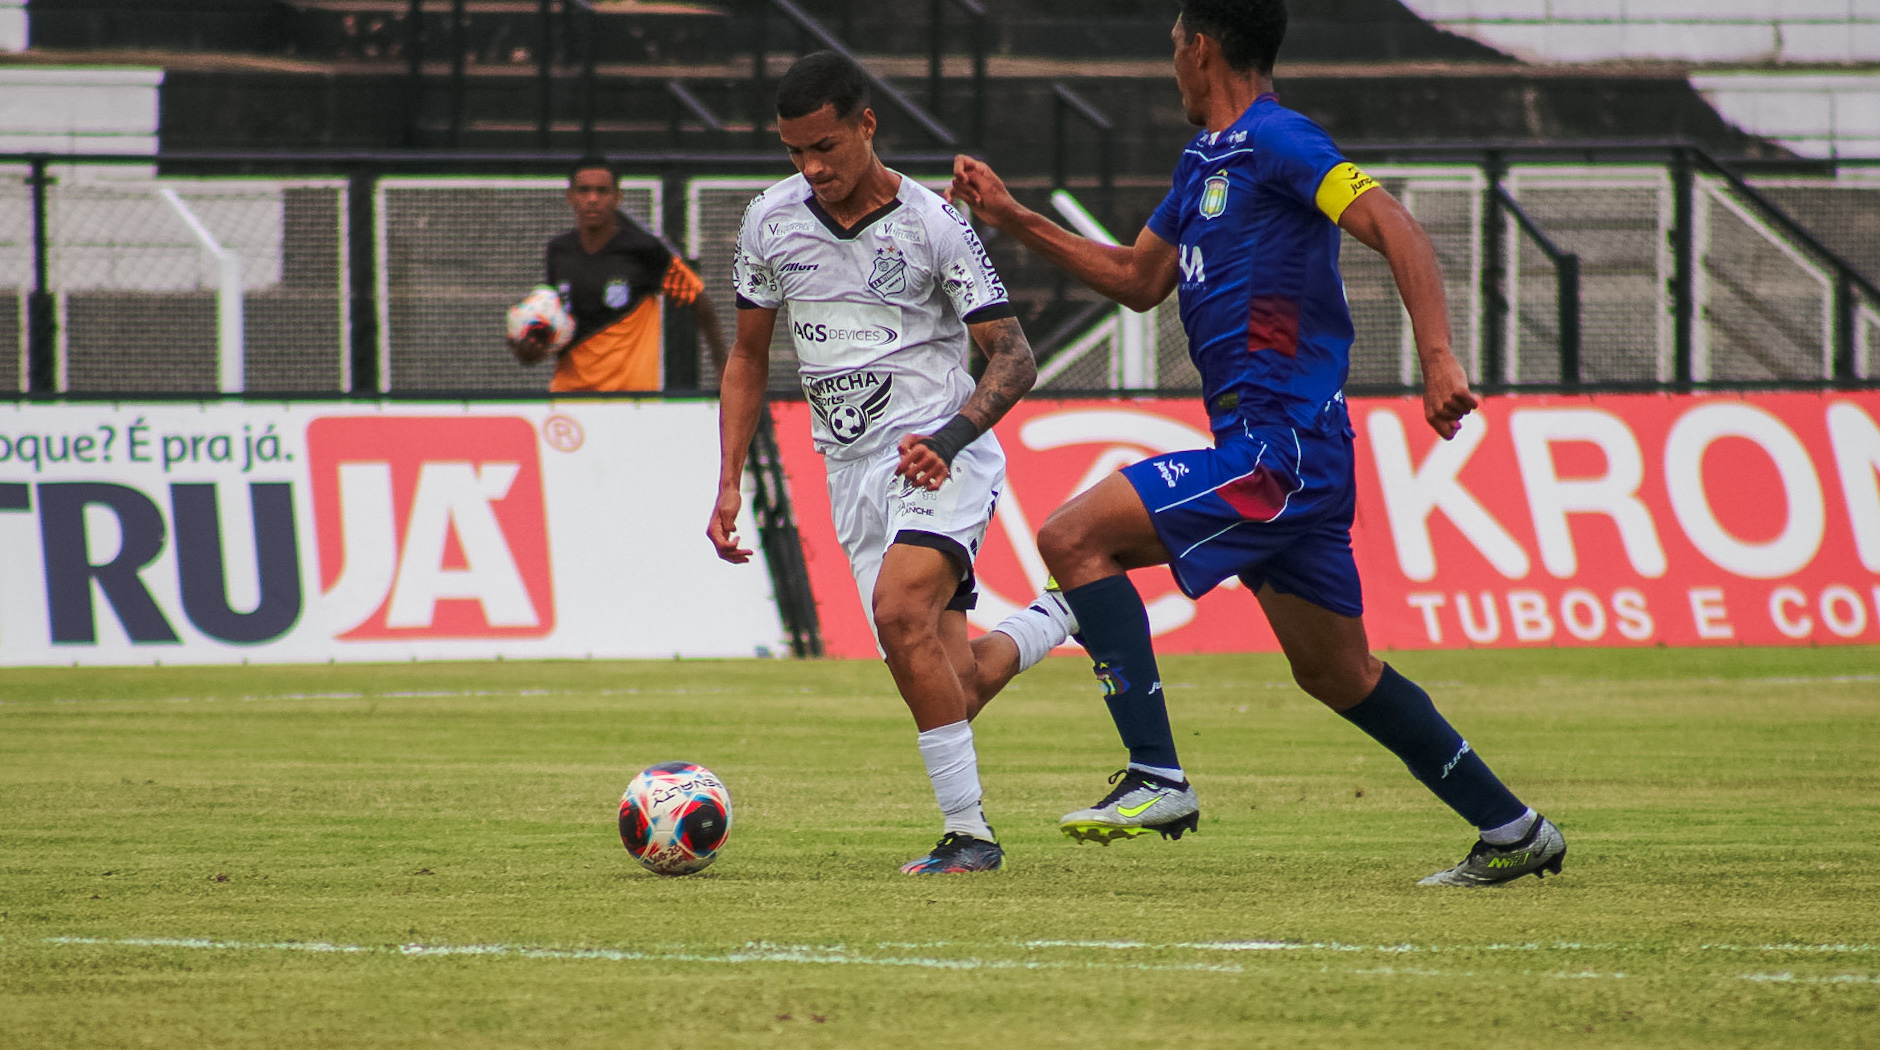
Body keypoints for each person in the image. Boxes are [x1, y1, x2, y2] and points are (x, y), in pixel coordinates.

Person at [947, 0, 1566, 886]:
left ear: (1200, 48)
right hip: (1277, 452)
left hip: (1281, 451)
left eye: (1171, 47)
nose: (1171, 64)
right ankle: (1514, 829)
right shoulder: (1203, 163)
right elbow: (1135, 278)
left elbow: (1396, 225)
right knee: (1338, 672)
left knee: (1073, 535)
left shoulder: (1280, 142)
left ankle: (1157, 774)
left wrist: (1437, 359)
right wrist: (1010, 216)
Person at [706, 51, 1079, 875]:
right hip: (850, 473)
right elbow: (747, 358)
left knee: (900, 612)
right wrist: (729, 479)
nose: (812, 168)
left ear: (866, 125)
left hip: (939, 455)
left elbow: (1013, 359)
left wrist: (948, 440)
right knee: (954, 680)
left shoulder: (933, 224)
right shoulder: (769, 221)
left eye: (826, 147)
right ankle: (1065, 612)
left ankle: (971, 837)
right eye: (795, 152)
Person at [510, 155, 728, 390]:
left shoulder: (646, 250)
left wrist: (724, 371)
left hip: (629, 401)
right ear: (570, 196)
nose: (592, 199)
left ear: (617, 197)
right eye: (584, 190)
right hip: (569, 398)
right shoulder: (558, 251)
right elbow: (557, 320)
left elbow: (700, 303)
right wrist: (531, 349)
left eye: (602, 191)